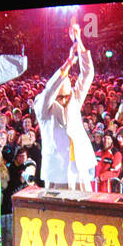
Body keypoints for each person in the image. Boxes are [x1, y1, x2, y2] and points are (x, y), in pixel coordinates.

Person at [33, 20, 95, 190]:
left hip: (78, 165)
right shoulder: (43, 105)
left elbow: (88, 74)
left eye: (67, 78)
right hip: (57, 169)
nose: (66, 78)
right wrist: (69, 61)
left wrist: (78, 42)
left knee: (85, 210)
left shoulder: (74, 98)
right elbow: (50, 89)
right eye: (63, 77)